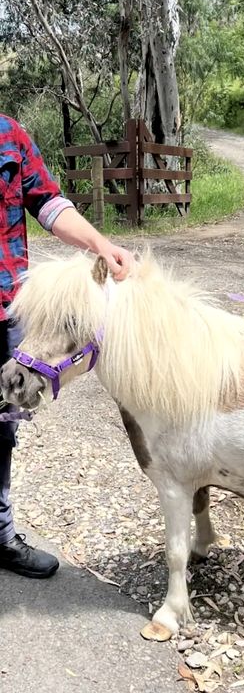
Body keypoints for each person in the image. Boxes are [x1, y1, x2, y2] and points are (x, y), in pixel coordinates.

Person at [0, 111, 135, 578]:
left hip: (6, 311)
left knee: (5, 422)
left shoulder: (9, 133)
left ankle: (0, 535)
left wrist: (100, 244)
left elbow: (50, 205)